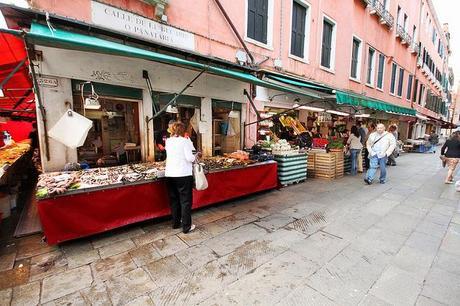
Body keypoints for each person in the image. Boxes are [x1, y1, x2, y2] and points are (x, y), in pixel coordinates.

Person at [165, 122, 201, 233]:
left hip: (170, 174)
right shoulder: (185, 141)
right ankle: (186, 226)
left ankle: (176, 223)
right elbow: (190, 158)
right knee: (185, 201)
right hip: (183, 175)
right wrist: (196, 155)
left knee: (174, 200)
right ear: (183, 131)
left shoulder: (168, 141)